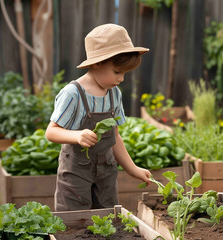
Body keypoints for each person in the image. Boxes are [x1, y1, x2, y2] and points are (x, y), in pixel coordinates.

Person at [45, 23, 151, 211]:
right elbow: (51, 132)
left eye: (125, 74)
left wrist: (133, 169)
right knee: (74, 220)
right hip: (76, 173)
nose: (121, 79)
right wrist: (76, 136)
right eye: (117, 72)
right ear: (97, 63)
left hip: (106, 172)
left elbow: (115, 137)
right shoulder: (73, 93)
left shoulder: (114, 94)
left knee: (107, 217)